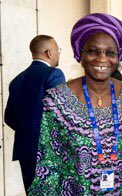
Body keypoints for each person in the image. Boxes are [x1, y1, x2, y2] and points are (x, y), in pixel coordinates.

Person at [28, 13, 122, 195]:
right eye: (92, 51)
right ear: (80, 54)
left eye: (110, 52)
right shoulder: (58, 100)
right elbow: (49, 164)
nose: (101, 58)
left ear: (118, 57)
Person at [4, 35, 65, 193]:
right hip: (50, 151)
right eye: (58, 50)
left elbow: (9, 117)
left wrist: (29, 130)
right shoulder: (54, 74)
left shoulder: (17, 80)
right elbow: (63, 114)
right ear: (49, 53)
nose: (59, 54)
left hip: (25, 150)